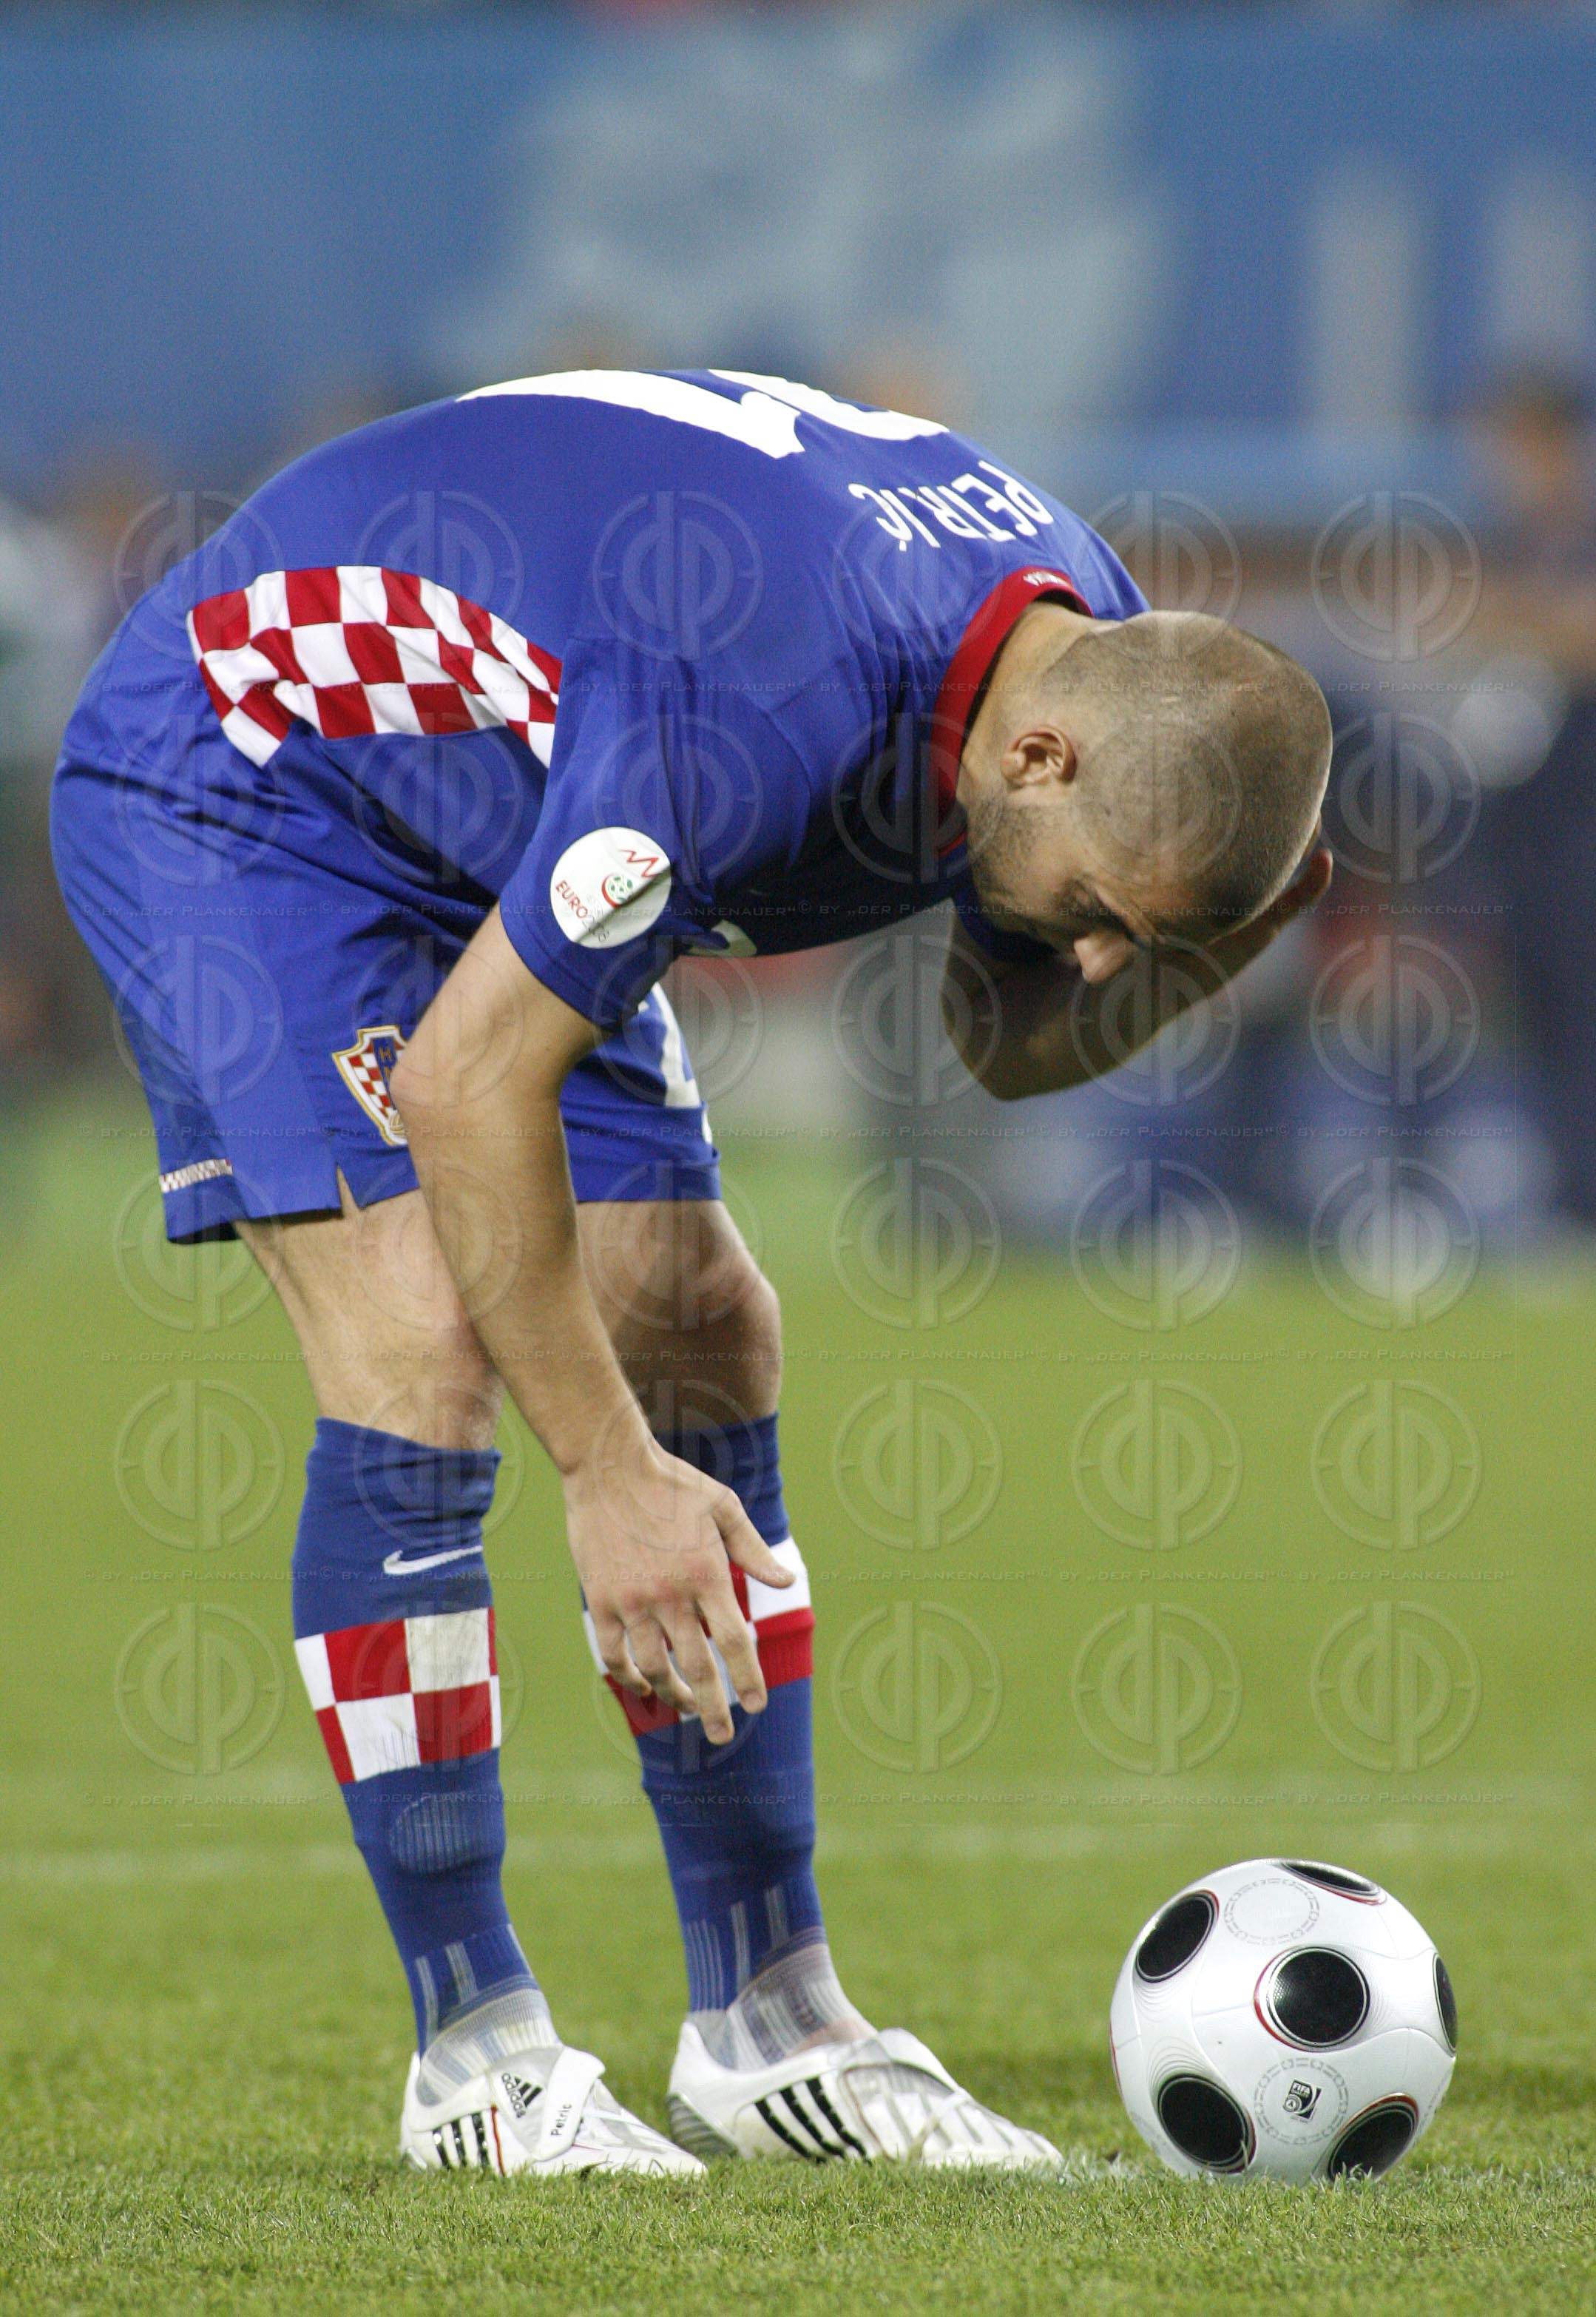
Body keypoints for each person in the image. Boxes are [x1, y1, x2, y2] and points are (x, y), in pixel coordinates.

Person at [52, 369, 1332, 2178]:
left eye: (1153, 940)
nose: (1113, 959)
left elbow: (1006, 1038)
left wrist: (1211, 935)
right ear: (1038, 759)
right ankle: (478, 2059)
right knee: (424, 1345)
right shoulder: (760, 700)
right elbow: (463, 1082)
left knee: (705, 1327)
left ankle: (769, 2021)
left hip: (485, 795)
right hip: (250, 778)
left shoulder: (1077, 674)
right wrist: (602, 1478)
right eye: (1117, 909)